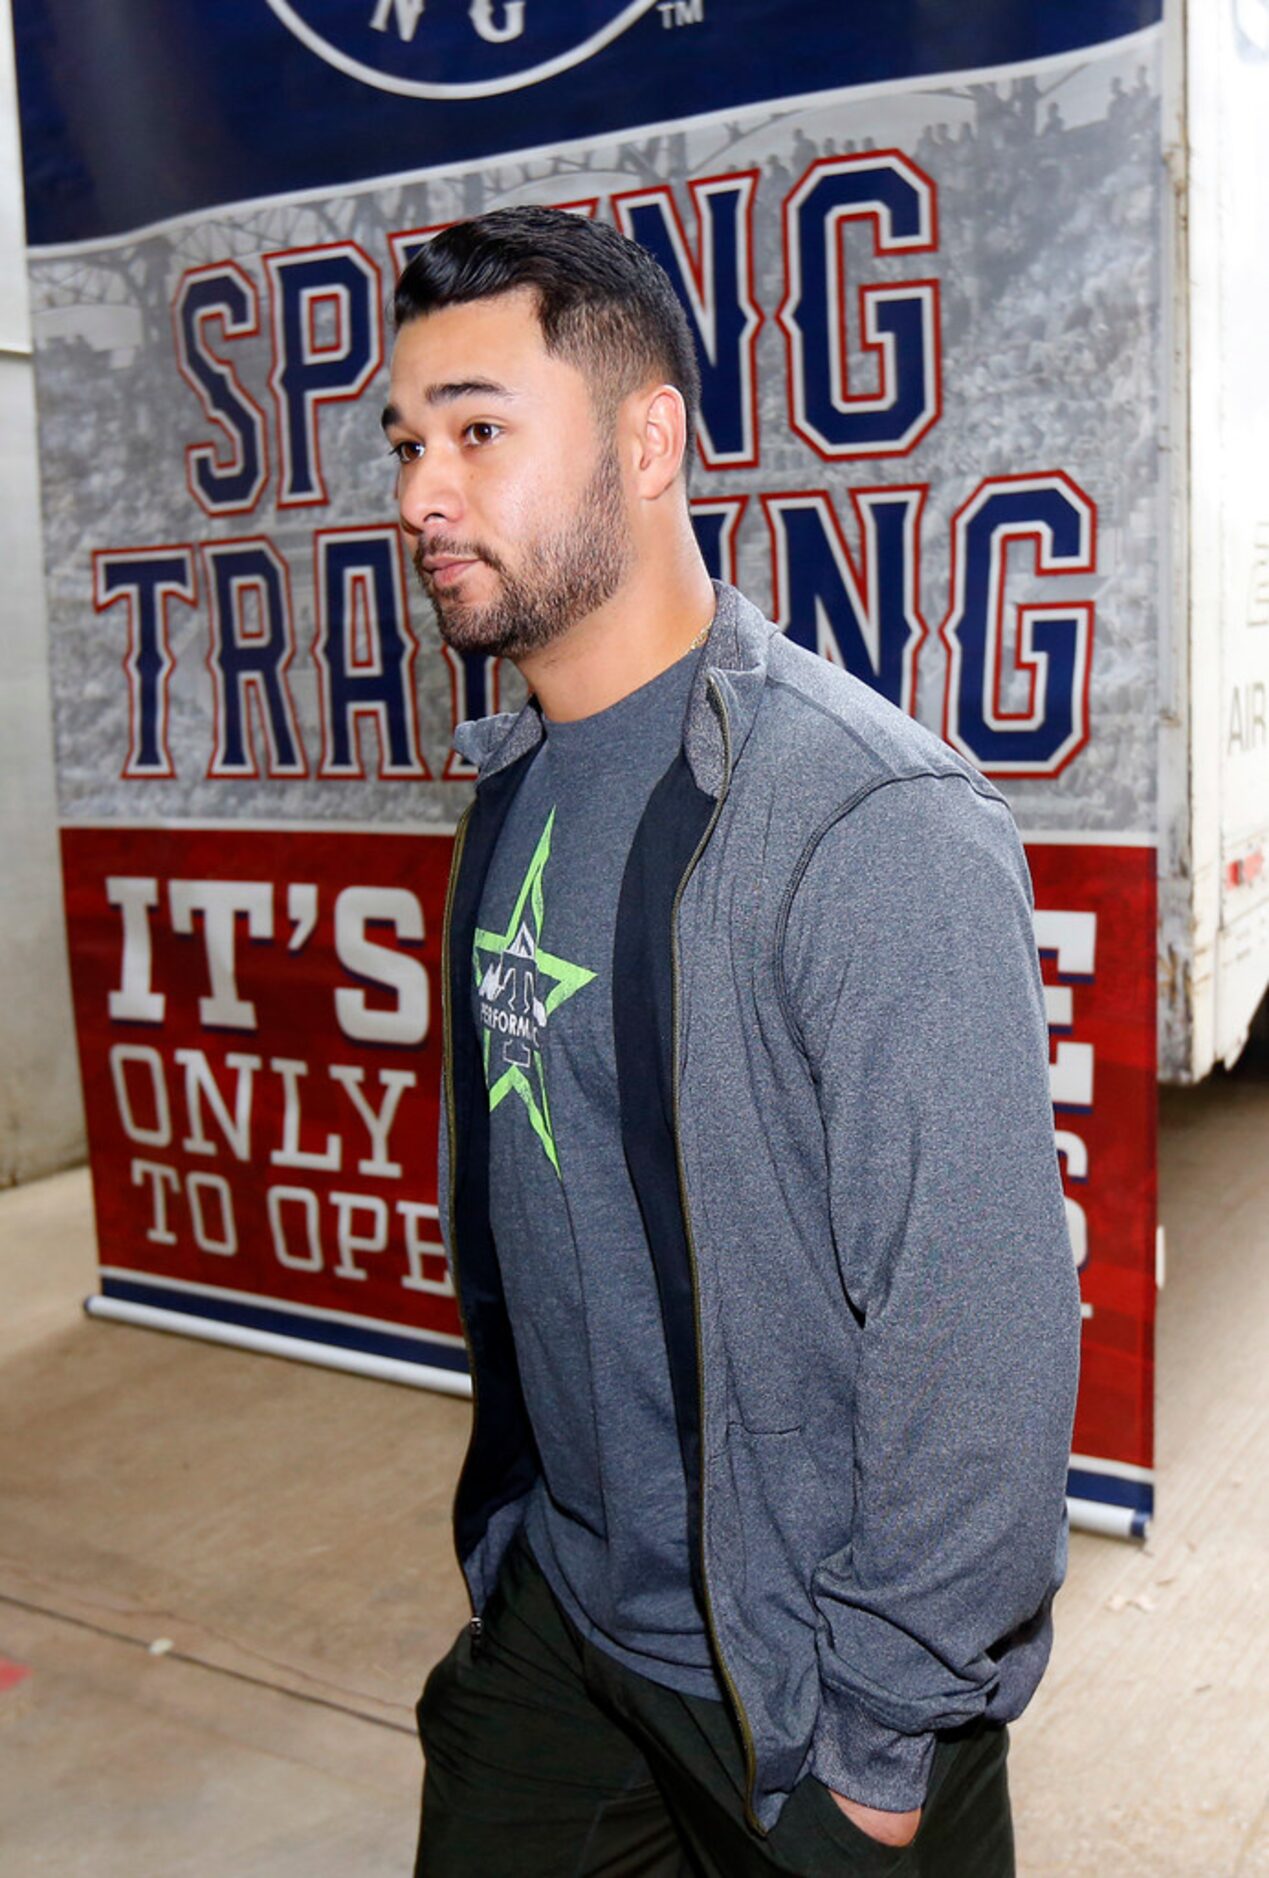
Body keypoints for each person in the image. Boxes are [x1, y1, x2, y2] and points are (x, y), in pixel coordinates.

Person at [383, 205, 1081, 1876]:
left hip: (812, 1697)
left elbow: (977, 1346)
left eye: (479, 430)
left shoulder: (867, 823)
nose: (419, 491)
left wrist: (879, 1752)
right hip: (568, 1620)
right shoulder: (514, 789)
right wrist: (515, 1556)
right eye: (407, 440)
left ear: (646, 441)